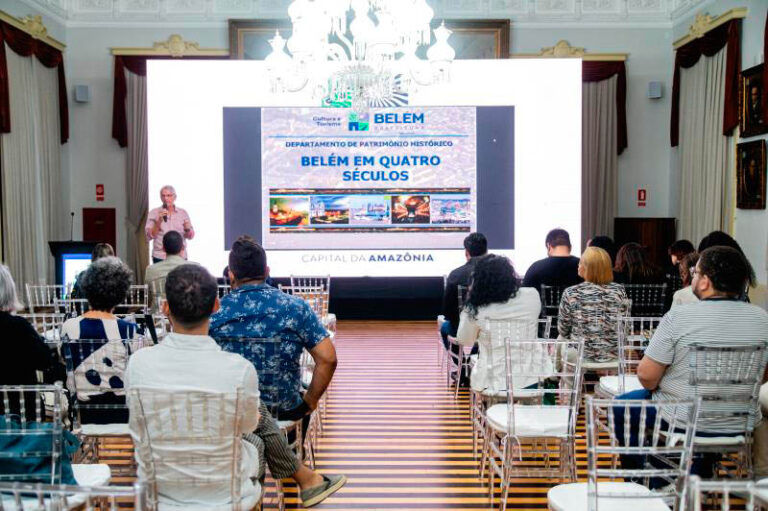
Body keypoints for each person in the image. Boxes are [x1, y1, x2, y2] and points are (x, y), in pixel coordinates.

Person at [126, 264, 345, 508]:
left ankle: (307, 479)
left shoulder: (138, 364)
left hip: (156, 494)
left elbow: (137, 422)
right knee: (257, 438)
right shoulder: (237, 370)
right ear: (215, 306)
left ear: (165, 307)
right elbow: (248, 426)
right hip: (226, 495)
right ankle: (305, 478)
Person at [622, 246, 768, 477]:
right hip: (739, 421)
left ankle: (648, 480)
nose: (693, 276)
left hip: (683, 419)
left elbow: (647, 378)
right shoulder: (762, 319)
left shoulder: (679, 317)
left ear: (705, 282)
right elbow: (763, 375)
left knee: (623, 407)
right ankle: (698, 473)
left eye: (696, 272)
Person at [209, 236, 338, 423]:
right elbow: (328, 359)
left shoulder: (214, 312)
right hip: (285, 414)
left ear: (231, 274)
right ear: (267, 271)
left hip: (230, 418)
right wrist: (310, 401)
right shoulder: (295, 307)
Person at [61, 257, 145, 423]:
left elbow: (63, 360)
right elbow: (137, 372)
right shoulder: (131, 331)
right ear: (120, 295)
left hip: (83, 413)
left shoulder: (69, 327)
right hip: (122, 414)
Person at [455, 255, 540, 394]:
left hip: (491, 382)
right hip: (531, 379)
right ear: (511, 276)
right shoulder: (532, 295)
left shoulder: (475, 308)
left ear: (479, 280)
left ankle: (490, 412)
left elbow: (464, 339)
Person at [558, 247, 629, 364]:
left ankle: (559, 378)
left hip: (580, 356)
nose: (578, 265)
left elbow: (563, 330)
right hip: (613, 356)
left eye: (580, 262)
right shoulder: (619, 291)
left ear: (587, 268)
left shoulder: (571, 293)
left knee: (560, 339)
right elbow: (625, 326)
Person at [0, 264, 55, 387]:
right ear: (9, 291)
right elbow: (46, 362)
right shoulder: (19, 327)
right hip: (19, 403)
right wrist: (36, 337)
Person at [441, 232, 488, 347]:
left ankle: (463, 364)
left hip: (462, 329)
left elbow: (448, 313)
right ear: (487, 252)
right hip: (492, 328)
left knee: (445, 328)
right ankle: (476, 359)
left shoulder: (456, 275)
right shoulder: (499, 274)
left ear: (466, 252)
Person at [522, 228, 582, 293]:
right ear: (570, 247)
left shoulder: (535, 268)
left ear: (549, 246)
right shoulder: (586, 266)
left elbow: (525, 295)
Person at [145, 185, 194, 263]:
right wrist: (159, 221)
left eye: (169, 195)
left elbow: (190, 236)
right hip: (160, 256)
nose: (166, 198)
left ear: (175, 197)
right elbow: (150, 236)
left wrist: (187, 230)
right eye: (163, 196)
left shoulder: (183, 213)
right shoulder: (154, 213)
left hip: (180, 256)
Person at [144, 231, 192, 301]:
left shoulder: (151, 270)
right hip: (185, 310)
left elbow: (148, 295)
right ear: (182, 247)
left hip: (159, 310)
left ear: (163, 248)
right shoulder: (196, 268)